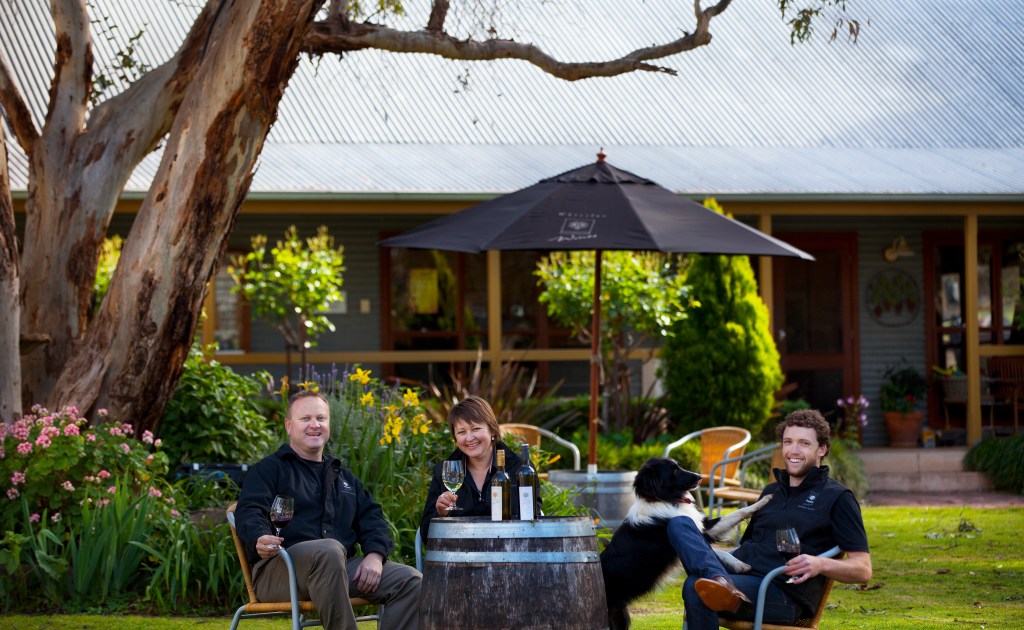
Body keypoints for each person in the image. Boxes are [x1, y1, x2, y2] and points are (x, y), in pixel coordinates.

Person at [235, 390, 421, 630]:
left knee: (411, 581)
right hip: (281, 570)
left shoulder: (343, 477)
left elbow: (372, 518)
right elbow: (249, 511)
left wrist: (375, 555)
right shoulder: (269, 470)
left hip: (339, 569)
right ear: (289, 425)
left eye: (321, 418)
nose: (315, 425)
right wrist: (259, 537)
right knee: (330, 550)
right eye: (306, 419)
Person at [671, 409, 872, 629]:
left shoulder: (837, 498)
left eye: (804, 443)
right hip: (743, 576)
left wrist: (819, 563)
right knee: (679, 523)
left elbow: (863, 569)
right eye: (788, 442)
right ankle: (718, 580)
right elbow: (747, 547)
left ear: (821, 449)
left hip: (781, 592)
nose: (793, 450)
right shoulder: (771, 492)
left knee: (696, 587)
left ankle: (719, 583)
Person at [419, 395, 539, 543]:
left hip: (512, 555)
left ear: (493, 431)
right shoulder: (444, 471)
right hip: (459, 557)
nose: (469, 438)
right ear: (455, 438)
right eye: (461, 432)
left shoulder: (521, 469)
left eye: (475, 429)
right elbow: (426, 536)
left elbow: (535, 523)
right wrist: (441, 515)